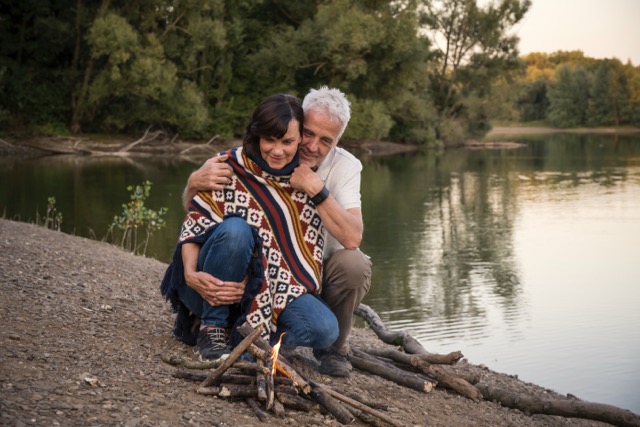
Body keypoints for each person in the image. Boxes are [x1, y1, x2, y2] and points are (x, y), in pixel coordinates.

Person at [183, 86, 372, 377]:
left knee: (350, 272)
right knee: (235, 230)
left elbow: (352, 238)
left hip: (295, 281)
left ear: (338, 141)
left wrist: (315, 189)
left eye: (326, 140)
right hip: (232, 271)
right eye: (307, 134)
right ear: (295, 123)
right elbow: (198, 215)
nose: (311, 146)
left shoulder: (341, 167)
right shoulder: (250, 161)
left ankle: (319, 347)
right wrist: (194, 182)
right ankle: (213, 326)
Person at [160, 93, 339, 361]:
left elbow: (302, 251)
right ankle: (212, 328)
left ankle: (246, 335)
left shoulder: (304, 182)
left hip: (275, 294)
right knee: (236, 231)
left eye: (288, 141)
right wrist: (188, 273)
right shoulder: (227, 167)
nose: (278, 151)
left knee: (325, 330)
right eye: (270, 140)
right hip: (209, 288)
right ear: (256, 136)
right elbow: (195, 224)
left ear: (299, 138)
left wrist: (257, 286)